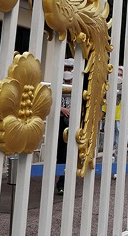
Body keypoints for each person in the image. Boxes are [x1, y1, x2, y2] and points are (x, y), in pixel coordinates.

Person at [56, 59, 74, 195]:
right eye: (66, 68)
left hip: (71, 123)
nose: (68, 71)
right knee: (58, 153)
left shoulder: (79, 85)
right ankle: (59, 180)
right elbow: (50, 99)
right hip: (58, 122)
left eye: (70, 68)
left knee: (67, 153)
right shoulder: (57, 82)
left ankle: (63, 182)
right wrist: (62, 109)